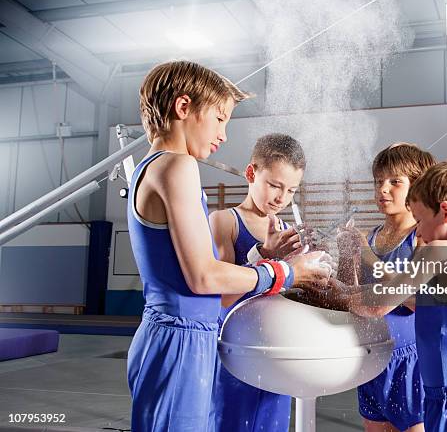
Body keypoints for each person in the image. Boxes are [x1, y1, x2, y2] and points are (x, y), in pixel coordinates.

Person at [126, 61, 331, 432]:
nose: (223, 134)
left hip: (179, 335)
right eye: (220, 119)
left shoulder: (152, 166)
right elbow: (205, 277)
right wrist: (288, 272)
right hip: (181, 338)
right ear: (184, 108)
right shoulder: (177, 166)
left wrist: (264, 258)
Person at [322, 161, 447, 431]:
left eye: (419, 220)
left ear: (445, 212)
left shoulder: (441, 250)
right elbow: (401, 291)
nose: (418, 231)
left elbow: (378, 303)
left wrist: (333, 292)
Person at [209, 133, 308, 432]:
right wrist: (265, 255)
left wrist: (314, 273)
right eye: (275, 185)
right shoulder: (224, 221)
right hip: (234, 352)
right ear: (252, 173)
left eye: (291, 190)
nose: (282, 198)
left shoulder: (287, 230)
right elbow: (222, 298)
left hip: (276, 354)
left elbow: (290, 294)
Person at [344, 143, 435, 432]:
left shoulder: (422, 238)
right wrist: (347, 254)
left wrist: (367, 255)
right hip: (371, 359)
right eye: (378, 181)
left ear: (416, 187)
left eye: (395, 182)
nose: (383, 189)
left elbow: (421, 299)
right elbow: (350, 292)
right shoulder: (370, 236)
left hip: (410, 362)